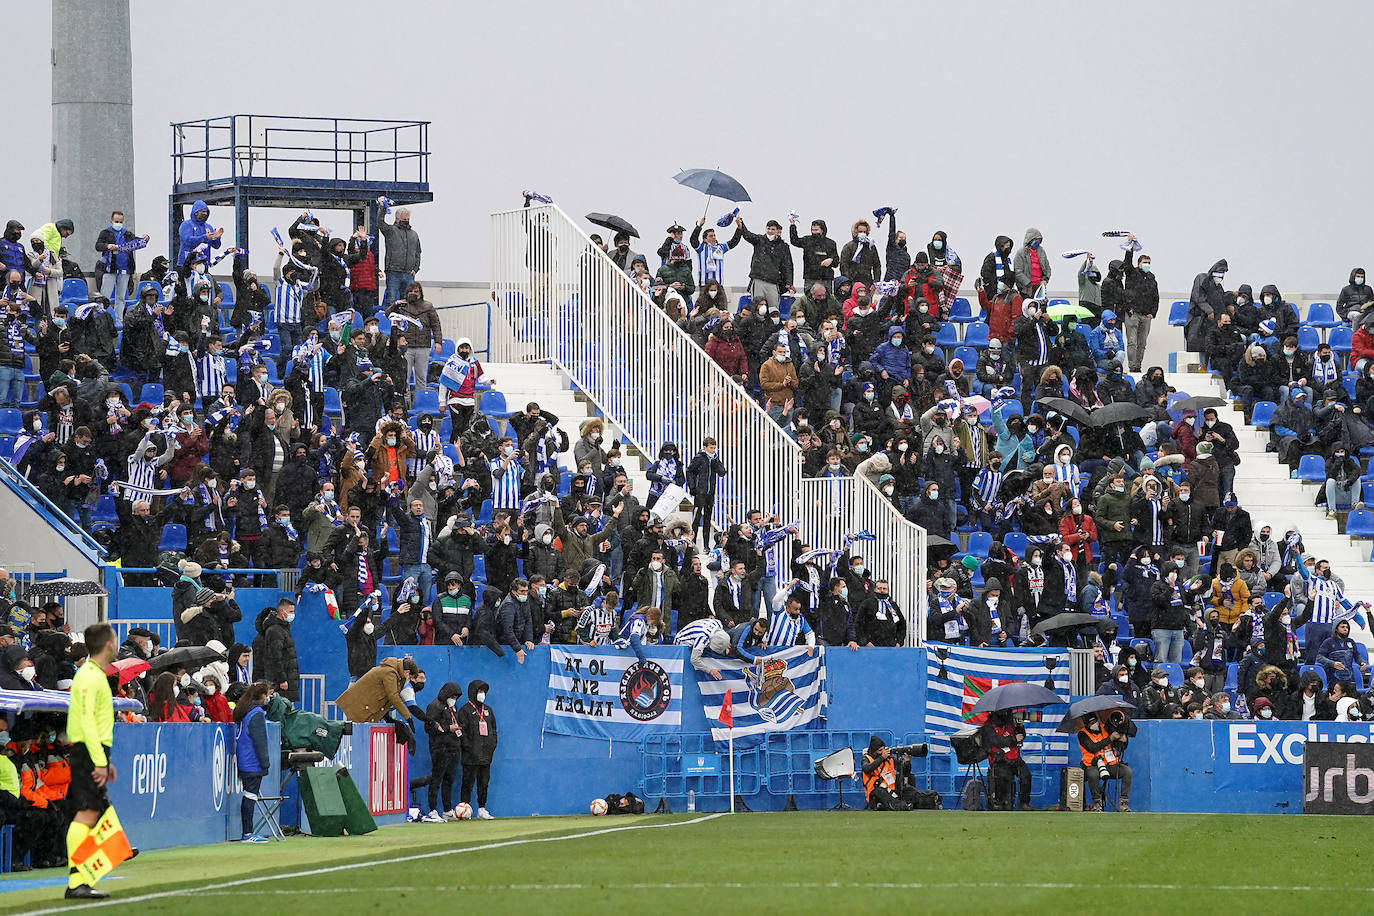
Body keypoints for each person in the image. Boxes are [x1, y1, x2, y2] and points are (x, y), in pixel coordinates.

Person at [65, 622, 135, 899]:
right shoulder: (90, 676)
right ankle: (77, 881)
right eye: (115, 639)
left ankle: (81, 878)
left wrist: (105, 759)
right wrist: (98, 760)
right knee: (87, 813)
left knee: (92, 813)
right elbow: (87, 722)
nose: (117, 643)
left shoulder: (92, 674)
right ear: (108, 644)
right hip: (87, 751)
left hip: (92, 751)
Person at [233, 681, 273, 843]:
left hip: (245, 759)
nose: (269, 698)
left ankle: (248, 832)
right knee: (250, 796)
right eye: (268, 695)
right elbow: (260, 741)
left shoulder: (245, 711)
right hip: (252, 762)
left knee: (249, 795)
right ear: (262, 696)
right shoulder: (256, 713)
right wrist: (265, 763)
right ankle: (248, 833)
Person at [421, 681, 465, 822]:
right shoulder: (434, 706)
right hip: (440, 749)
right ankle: (432, 810)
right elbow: (429, 727)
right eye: (453, 696)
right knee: (436, 779)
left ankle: (447, 810)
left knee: (449, 780)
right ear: (446, 694)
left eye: (457, 697)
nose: (454, 699)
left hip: (453, 748)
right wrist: (447, 728)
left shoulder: (453, 708)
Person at [454, 678, 497, 820]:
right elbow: (460, 732)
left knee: (483, 783)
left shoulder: (488, 710)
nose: (482, 694)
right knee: (467, 783)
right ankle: (464, 808)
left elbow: (494, 730)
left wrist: (492, 745)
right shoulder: (464, 711)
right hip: (470, 756)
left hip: (486, 755)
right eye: (479, 691)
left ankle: (482, 809)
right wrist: (468, 747)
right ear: (473, 692)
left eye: (483, 691)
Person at [1078, 710, 1132, 812]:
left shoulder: (1106, 727)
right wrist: (1110, 738)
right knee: (1092, 774)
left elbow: (1120, 746)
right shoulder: (1082, 734)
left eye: (1095, 721)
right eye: (1091, 723)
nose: (1094, 724)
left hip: (1111, 764)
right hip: (1092, 765)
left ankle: (1123, 803)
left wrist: (1123, 740)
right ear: (1086, 724)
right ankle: (1097, 803)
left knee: (1127, 771)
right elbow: (1092, 748)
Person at [860, 736, 928, 810]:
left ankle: (931, 800)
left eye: (884, 749)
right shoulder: (866, 759)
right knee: (880, 792)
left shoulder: (889, 759)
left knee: (908, 789)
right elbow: (867, 769)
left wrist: (907, 762)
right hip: (875, 795)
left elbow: (905, 772)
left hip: (892, 792)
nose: (883, 752)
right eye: (880, 750)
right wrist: (882, 757)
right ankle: (902, 806)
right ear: (874, 751)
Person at [982, 709, 1031, 810]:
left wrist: (1020, 727)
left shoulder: (1011, 723)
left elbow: (1021, 736)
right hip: (999, 760)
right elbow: (996, 741)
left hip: (1015, 758)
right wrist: (1013, 739)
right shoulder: (988, 726)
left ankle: (1024, 803)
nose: (1006, 714)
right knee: (1007, 781)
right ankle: (1004, 804)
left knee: (1026, 776)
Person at [377, 201, 422, 308]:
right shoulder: (390, 230)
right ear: (397, 219)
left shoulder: (414, 234)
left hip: (409, 273)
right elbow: (380, 222)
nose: (406, 221)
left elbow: (418, 252)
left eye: (408, 219)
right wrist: (382, 207)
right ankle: (390, 322)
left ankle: (405, 321)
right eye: (404, 219)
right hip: (393, 272)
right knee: (391, 300)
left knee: (409, 301)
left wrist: (415, 268)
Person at [686, 437, 727, 550]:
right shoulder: (699, 458)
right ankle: (692, 544)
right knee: (697, 518)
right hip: (700, 492)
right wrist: (693, 487)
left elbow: (722, 472)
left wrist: (715, 461)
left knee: (708, 519)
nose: (713, 450)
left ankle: (706, 545)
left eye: (714, 448)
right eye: (711, 448)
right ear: (705, 447)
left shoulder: (714, 459)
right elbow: (689, 471)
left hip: (710, 492)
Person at [261, 597, 300, 704]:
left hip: (287, 679)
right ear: (282, 611)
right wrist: (282, 679)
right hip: (281, 683)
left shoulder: (283, 629)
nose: (293, 614)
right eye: (291, 611)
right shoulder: (275, 630)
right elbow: (276, 657)